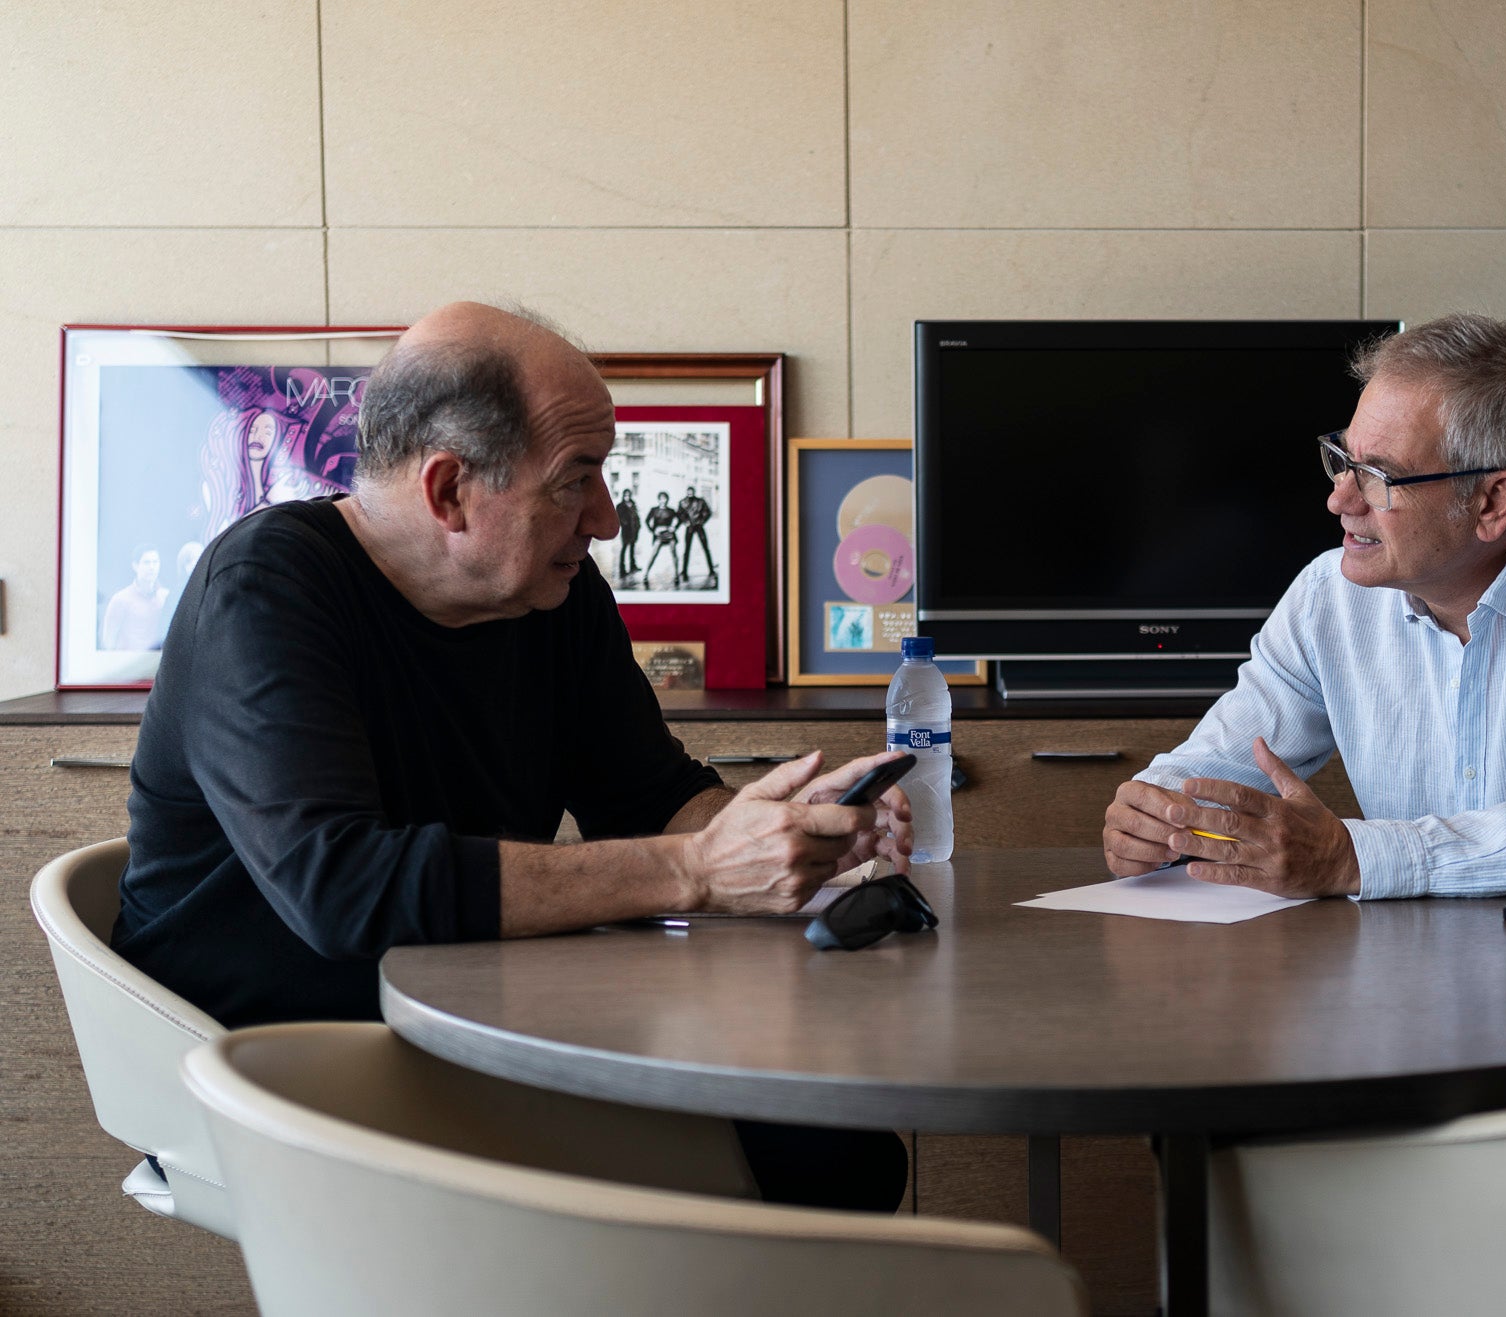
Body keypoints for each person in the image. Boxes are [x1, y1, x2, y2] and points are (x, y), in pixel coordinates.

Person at [115, 301, 914, 1209]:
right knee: (815, 1164)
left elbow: (649, 795)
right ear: (449, 490)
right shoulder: (264, 592)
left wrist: (780, 834)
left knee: (842, 1152)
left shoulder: (551, 598)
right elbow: (343, 891)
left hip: (469, 1008)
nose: (608, 520)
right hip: (278, 1055)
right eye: (576, 479)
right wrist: (695, 870)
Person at [1102, 313, 1506, 912]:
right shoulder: (1329, 597)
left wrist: (1354, 857)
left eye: (1380, 475)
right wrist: (1156, 814)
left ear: (1492, 502)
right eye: (1341, 459)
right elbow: (1217, 773)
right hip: (1457, 978)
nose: (1340, 500)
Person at [100, 544, 168, 651]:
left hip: (157, 661)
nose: (152, 567)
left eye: (155, 562)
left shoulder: (166, 597)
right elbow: (108, 641)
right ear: (135, 566)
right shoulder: (120, 599)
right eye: (147, 562)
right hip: (129, 663)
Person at [679, 484, 715, 585]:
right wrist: (685, 521)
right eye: (688, 492)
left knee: (706, 548)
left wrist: (702, 521)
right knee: (687, 550)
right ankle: (684, 572)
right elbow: (680, 514)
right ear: (686, 492)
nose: (690, 493)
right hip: (689, 527)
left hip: (699, 527)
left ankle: (711, 570)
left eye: (691, 491)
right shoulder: (683, 502)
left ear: (694, 492)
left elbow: (708, 512)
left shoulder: (700, 501)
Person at [642, 489, 679, 586]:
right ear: (658, 500)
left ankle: (676, 575)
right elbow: (646, 521)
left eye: (665, 498)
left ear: (667, 499)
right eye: (661, 499)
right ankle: (645, 575)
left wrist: (674, 528)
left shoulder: (671, 510)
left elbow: (679, 519)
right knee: (653, 554)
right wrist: (653, 530)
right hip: (659, 535)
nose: (663, 500)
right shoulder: (654, 510)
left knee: (674, 554)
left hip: (670, 535)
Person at [615, 487, 641, 579]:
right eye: (626, 495)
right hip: (626, 531)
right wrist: (625, 523)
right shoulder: (620, 506)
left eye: (629, 495)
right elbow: (618, 518)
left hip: (634, 530)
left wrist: (638, 526)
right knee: (624, 548)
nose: (627, 497)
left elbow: (636, 516)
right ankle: (622, 570)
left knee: (632, 548)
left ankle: (632, 566)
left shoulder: (633, 504)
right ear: (623, 496)